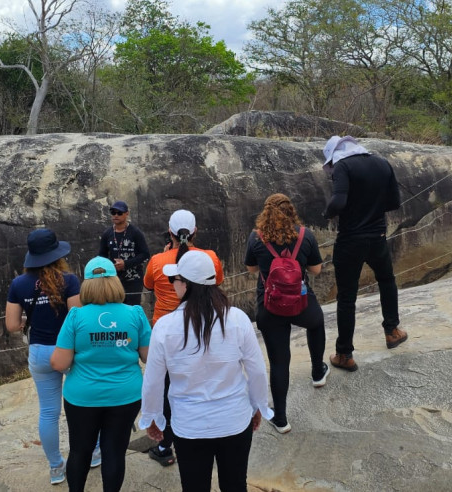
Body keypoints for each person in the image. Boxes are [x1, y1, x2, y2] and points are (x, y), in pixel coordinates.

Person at [140, 251, 273, 492]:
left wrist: (153, 417)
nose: (172, 285)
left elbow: (153, 381)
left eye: (175, 280)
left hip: (189, 426)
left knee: (194, 487)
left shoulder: (165, 327)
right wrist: (258, 406)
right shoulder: (237, 319)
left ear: (187, 284)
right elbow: (257, 371)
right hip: (234, 420)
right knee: (235, 486)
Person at [50, 257, 151, 492]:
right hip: (126, 395)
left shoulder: (75, 317)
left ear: (87, 285)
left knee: (80, 451)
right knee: (115, 451)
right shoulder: (135, 314)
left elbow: (59, 362)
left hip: (82, 397)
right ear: (115, 282)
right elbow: (148, 356)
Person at [141, 209, 224, 466]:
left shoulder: (157, 261)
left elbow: (149, 285)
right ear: (195, 231)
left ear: (170, 232)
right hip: (202, 325)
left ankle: (165, 446)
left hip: (165, 330)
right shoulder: (209, 257)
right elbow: (216, 281)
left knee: (167, 389)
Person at [244, 193, 329, 434]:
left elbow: (251, 268)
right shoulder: (305, 235)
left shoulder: (255, 237)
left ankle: (280, 419)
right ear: (291, 211)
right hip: (300, 302)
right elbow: (316, 269)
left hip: (270, 306)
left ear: (265, 212)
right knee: (316, 322)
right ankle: (317, 371)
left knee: (280, 362)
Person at [6, 228, 84, 485]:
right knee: (84, 407)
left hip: (39, 351)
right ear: (57, 254)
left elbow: (11, 324)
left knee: (49, 412)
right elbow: (77, 319)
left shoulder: (18, 284)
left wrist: (32, 317)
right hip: (68, 349)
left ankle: (55, 468)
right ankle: (93, 453)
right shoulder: (70, 280)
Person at [323, 135, 406, 372]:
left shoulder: (343, 167)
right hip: (377, 236)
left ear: (335, 155)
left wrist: (326, 213)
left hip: (350, 240)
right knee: (387, 281)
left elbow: (338, 201)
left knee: (347, 298)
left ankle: (344, 354)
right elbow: (394, 203)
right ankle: (392, 332)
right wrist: (372, 208)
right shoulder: (382, 163)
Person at [98, 200, 150, 306]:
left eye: (119, 213)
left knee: (132, 310)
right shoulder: (107, 234)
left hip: (133, 280)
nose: (116, 215)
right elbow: (101, 256)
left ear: (127, 213)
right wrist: (110, 266)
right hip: (113, 279)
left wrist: (126, 264)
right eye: (113, 213)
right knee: (115, 309)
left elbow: (145, 254)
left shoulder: (135, 232)